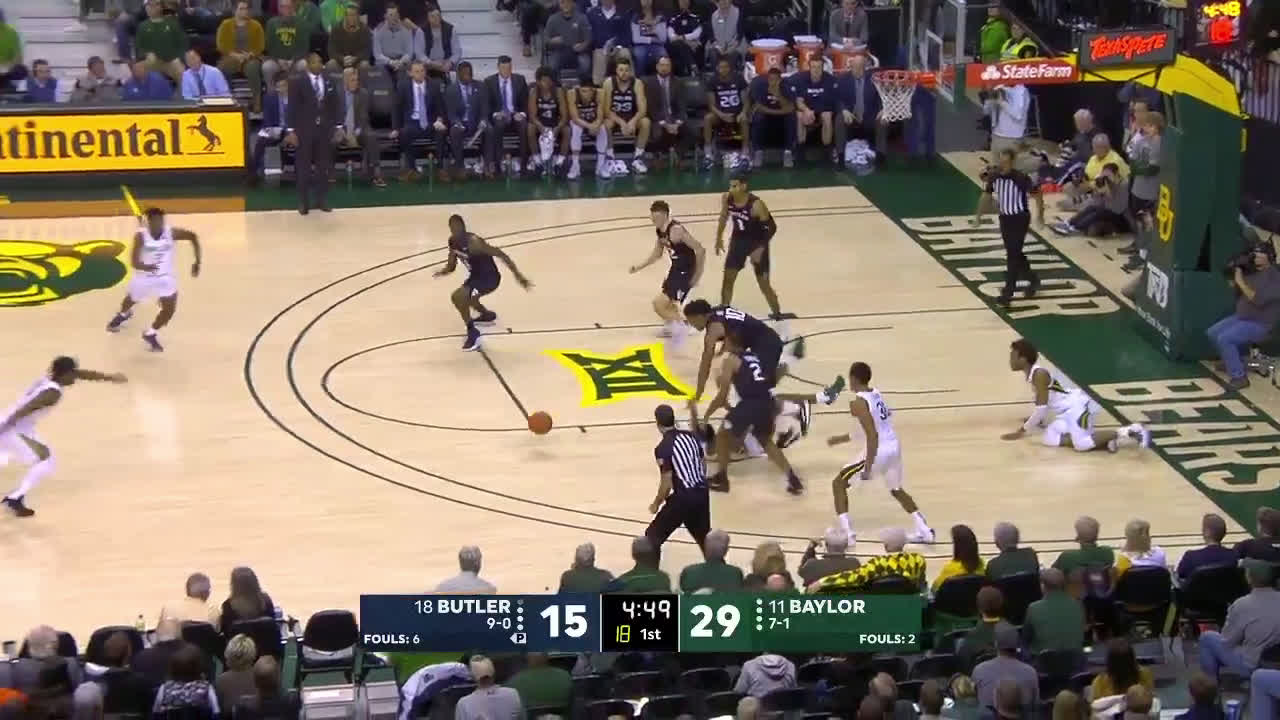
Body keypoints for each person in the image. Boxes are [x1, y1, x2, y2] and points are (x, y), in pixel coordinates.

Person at [0, 359, 125, 518]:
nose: (74, 377)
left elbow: (82, 374)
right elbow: (25, 409)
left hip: (18, 426)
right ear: (64, 374)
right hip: (12, 427)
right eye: (72, 373)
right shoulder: (52, 393)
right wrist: (4, 428)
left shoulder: (49, 378)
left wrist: (110, 377)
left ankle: (16, 497)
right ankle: (15, 498)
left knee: (47, 461)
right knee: (45, 460)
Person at [828, 361, 934, 545]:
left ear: (853, 379)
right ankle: (925, 531)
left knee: (838, 484)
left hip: (879, 450)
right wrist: (841, 439)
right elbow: (876, 425)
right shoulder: (876, 394)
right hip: (894, 446)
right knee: (896, 489)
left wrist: (868, 467)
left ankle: (848, 535)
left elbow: (872, 435)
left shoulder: (858, 403)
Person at [696, 328, 805, 494]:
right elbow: (772, 379)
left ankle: (722, 478)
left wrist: (706, 416)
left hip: (750, 403)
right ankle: (793, 479)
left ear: (730, 342)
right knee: (766, 442)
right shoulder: (754, 357)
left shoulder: (731, 360)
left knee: (722, 436)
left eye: (725, 341)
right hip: (767, 402)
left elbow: (722, 395)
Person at [1003, 338, 1150, 451]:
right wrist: (1034, 420)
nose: (1010, 360)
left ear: (1023, 359)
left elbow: (1041, 408)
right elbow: (1043, 403)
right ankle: (1106, 441)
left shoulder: (1039, 375)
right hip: (1066, 413)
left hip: (1077, 409)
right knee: (1049, 438)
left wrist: (1021, 431)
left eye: (1013, 356)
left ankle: (1131, 430)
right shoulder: (1032, 374)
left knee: (1081, 444)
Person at [104, 207, 201, 352]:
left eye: (160, 220)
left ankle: (150, 333)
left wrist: (197, 262)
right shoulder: (140, 236)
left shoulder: (171, 233)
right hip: (144, 276)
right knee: (131, 299)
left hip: (165, 277)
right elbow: (134, 262)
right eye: (155, 221)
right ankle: (123, 314)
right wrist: (147, 267)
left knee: (169, 310)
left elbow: (193, 237)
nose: (158, 224)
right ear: (148, 222)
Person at [434, 215, 533, 352]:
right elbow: (452, 265)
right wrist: (443, 271)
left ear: (464, 227)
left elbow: (501, 254)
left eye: (458, 228)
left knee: (458, 297)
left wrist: (519, 276)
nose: (456, 231)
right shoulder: (452, 242)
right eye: (453, 228)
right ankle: (487, 315)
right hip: (475, 277)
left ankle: (473, 333)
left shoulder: (475, 242)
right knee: (468, 298)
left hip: (489, 278)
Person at [972, 147, 1043, 306]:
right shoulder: (994, 177)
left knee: (1012, 255)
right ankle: (1033, 280)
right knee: (1015, 253)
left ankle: (1007, 294)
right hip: (1005, 219)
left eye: (1005, 162)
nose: (1002, 164)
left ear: (1012, 162)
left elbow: (1037, 194)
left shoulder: (1020, 178)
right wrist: (978, 217)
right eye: (1001, 161)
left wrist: (1040, 215)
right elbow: (986, 196)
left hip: (1020, 218)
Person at [629, 200, 706, 340]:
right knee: (669, 304)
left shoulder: (676, 230)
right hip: (676, 269)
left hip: (686, 271)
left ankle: (687, 325)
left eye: (656, 217)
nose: (653, 220)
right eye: (652, 217)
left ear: (665, 215)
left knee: (658, 304)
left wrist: (697, 276)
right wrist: (639, 267)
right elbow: (657, 254)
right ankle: (673, 326)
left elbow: (700, 249)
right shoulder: (660, 231)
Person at [1208, 242, 1280, 389]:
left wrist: (1240, 280)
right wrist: (1233, 273)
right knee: (1212, 332)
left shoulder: (1274, 277)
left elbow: (1257, 299)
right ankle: (1233, 362)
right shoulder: (1252, 271)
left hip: (1261, 323)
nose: (1256, 255)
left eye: (1260, 253)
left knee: (1225, 339)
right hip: (1242, 317)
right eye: (1255, 252)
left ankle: (1239, 377)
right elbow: (1238, 289)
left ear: (1269, 257)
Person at [714, 171, 783, 314]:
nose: (730, 189)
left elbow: (772, 228)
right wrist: (718, 238)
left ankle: (777, 313)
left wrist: (760, 250)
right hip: (738, 241)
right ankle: (724, 307)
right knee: (728, 277)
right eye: (730, 186)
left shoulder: (756, 204)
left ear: (743, 186)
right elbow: (724, 216)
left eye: (734, 186)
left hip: (757, 242)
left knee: (763, 283)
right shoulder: (727, 198)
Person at [645, 403, 710, 553]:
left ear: (658, 424)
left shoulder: (663, 448)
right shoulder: (691, 436)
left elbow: (666, 483)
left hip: (683, 497)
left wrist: (656, 503)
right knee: (705, 540)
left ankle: (649, 567)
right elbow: (703, 464)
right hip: (702, 492)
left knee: (652, 537)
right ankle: (717, 565)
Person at [288, 53, 341, 215]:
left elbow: (335, 104)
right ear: (308, 65)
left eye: (320, 62)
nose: (319, 65)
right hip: (304, 130)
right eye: (315, 62)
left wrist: (338, 126)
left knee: (323, 167)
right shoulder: (298, 82)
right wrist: (291, 131)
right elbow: (292, 107)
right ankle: (303, 202)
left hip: (324, 130)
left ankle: (321, 200)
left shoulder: (329, 80)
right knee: (303, 168)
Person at [390, 60, 446, 183]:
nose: (420, 74)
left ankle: (440, 168)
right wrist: (395, 128)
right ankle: (412, 169)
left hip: (430, 122)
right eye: (417, 71)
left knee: (441, 132)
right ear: (410, 73)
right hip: (412, 123)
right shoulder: (403, 86)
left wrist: (440, 119)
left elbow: (440, 107)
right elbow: (396, 108)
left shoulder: (434, 85)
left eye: (422, 71)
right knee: (403, 133)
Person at [335, 67, 386, 188]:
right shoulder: (335, 93)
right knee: (330, 139)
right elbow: (331, 115)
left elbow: (363, 117)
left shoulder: (363, 93)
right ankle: (328, 173)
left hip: (359, 128)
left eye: (357, 80)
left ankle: (376, 173)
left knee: (371, 136)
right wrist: (339, 129)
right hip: (340, 128)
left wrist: (355, 133)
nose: (356, 83)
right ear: (345, 80)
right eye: (352, 80)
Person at [602, 57, 650, 175]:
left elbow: (642, 110)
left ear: (631, 71)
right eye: (621, 70)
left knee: (646, 122)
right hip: (614, 117)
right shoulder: (608, 83)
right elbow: (606, 110)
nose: (624, 73)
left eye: (627, 70)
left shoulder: (637, 83)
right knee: (606, 124)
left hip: (631, 117)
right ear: (616, 71)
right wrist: (622, 123)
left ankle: (638, 158)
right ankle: (610, 158)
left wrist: (632, 122)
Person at [444, 61, 489, 181]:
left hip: (476, 122)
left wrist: (483, 120)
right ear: (458, 74)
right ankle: (459, 166)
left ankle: (487, 165)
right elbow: (451, 113)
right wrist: (457, 123)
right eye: (465, 74)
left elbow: (485, 108)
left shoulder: (481, 86)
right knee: (454, 131)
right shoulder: (451, 90)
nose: (468, 76)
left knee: (489, 129)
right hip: (460, 123)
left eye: (470, 73)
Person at [485, 56, 530, 176]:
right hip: (499, 114)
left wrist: (522, 114)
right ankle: (498, 164)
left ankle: (524, 164)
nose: (506, 71)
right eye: (503, 68)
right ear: (498, 67)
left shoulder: (520, 80)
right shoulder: (489, 81)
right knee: (498, 125)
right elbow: (487, 104)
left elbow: (526, 102)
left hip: (515, 113)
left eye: (509, 68)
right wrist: (495, 114)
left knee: (523, 125)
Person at [702, 56, 749, 168]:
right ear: (717, 68)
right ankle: (708, 152)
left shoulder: (739, 79)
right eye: (721, 67)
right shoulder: (712, 81)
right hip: (720, 114)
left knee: (744, 119)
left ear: (730, 68)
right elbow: (711, 105)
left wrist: (743, 113)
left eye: (726, 67)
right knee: (708, 118)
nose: (724, 69)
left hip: (737, 113)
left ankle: (745, 151)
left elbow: (746, 101)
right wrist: (722, 115)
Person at [791, 57, 839, 163]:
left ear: (823, 68)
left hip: (823, 110)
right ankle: (800, 150)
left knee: (827, 115)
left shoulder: (830, 80)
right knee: (799, 115)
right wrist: (807, 110)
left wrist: (815, 111)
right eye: (813, 67)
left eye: (819, 67)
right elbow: (799, 101)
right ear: (809, 67)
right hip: (807, 110)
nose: (816, 70)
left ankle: (827, 150)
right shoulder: (800, 79)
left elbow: (829, 103)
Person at [525, 66, 569, 177]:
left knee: (567, 130)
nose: (546, 84)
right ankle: (537, 160)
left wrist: (557, 128)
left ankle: (560, 161)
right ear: (538, 81)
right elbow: (532, 116)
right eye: (544, 81)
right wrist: (541, 127)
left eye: (549, 81)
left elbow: (564, 116)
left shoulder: (558, 91)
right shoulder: (534, 92)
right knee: (530, 128)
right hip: (540, 122)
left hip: (555, 121)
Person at [748, 68, 795, 168]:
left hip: (782, 117)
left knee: (791, 117)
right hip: (767, 115)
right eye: (770, 79)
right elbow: (759, 107)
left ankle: (788, 152)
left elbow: (790, 108)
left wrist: (778, 95)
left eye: (775, 80)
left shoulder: (786, 86)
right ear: (767, 79)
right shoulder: (760, 86)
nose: (773, 82)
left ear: (780, 80)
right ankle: (758, 152)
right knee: (758, 117)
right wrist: (779, 112)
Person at [1177, 513, 1237, 580]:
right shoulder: (1232, 555)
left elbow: (1180, 574)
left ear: (1207, 532)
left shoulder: (1190, 556)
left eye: (1203, 528)